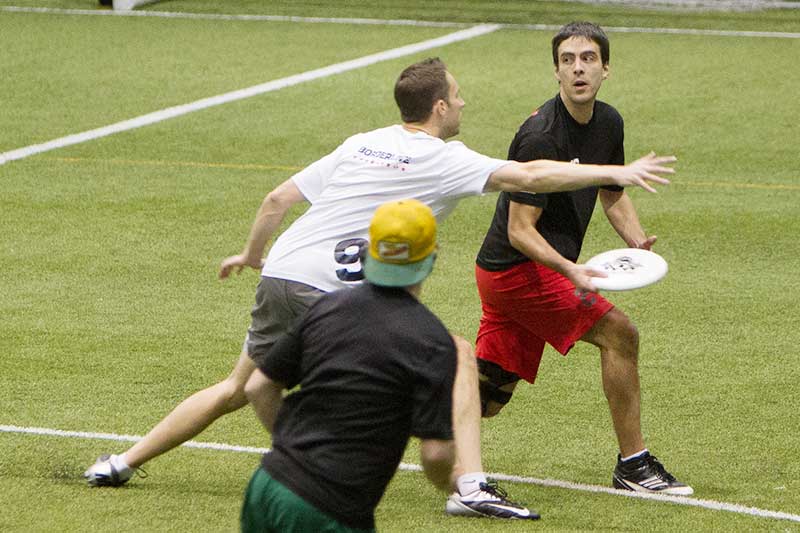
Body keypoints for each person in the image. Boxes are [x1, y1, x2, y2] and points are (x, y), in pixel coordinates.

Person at [84, 57, 675, 516]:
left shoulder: (360, 141)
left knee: (238, 385)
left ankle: (121, 462)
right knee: (460, 356)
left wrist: (251, 255)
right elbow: (528, 175)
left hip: (284, 272)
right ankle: (467, 485)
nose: (464, 102)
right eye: (460, 94)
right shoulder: (443, 158)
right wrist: (614, 171)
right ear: (440, 107)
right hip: (337, 291)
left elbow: (276, 200)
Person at [473, 22, 692, 496]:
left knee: (487, 396)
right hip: (517, 271)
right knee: (620, 333)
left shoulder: (608, 123)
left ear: (605, 68)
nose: (578, 68)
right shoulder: (540, 136)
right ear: (555, 71)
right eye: (568, 60)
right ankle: (634, 466)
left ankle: (377, 417)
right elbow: (518, 230)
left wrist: (635, 240)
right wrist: (570, 270)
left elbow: (612, 193)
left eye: (588, 59)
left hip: (519, 272)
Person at [240, 199, 515, 532]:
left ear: (369, 252)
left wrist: (290, 445)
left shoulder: (327, 307)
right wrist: (451, 481)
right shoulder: (432, 341)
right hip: (329, 508)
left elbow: (258, 387)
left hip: (267, 483)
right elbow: (436, 454)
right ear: (430, 258)